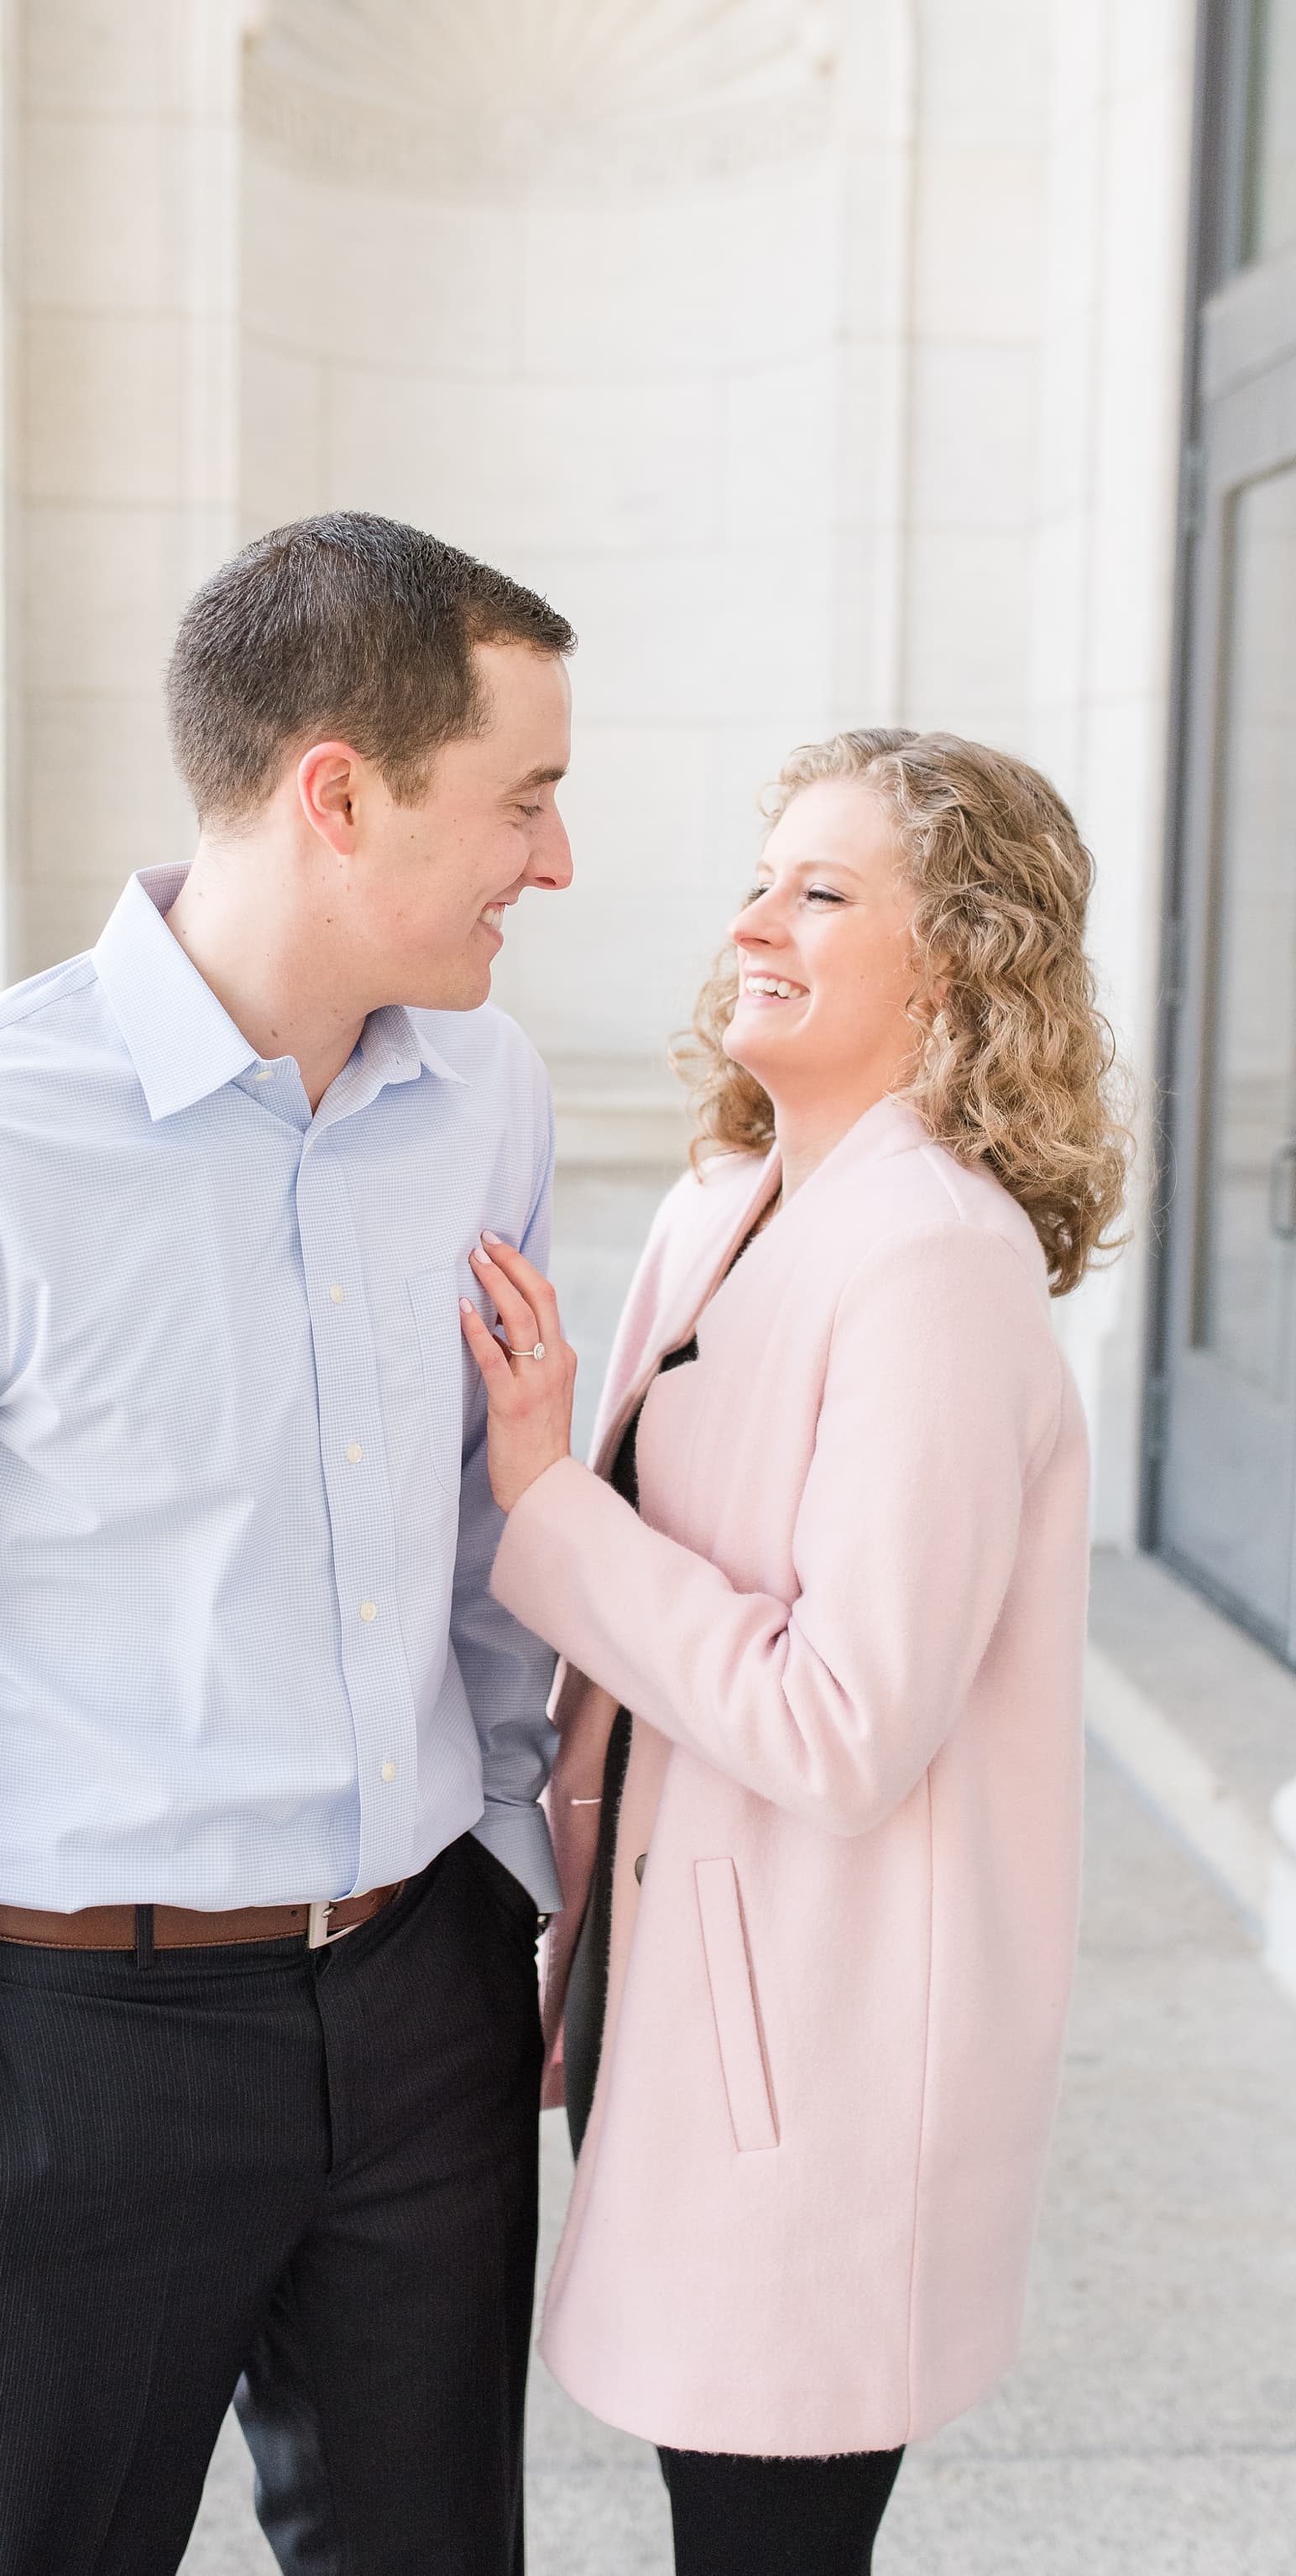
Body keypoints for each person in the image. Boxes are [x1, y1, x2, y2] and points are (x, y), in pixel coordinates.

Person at [0, 512, 577, 2576]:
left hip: (420, 2012)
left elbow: (468, 1530)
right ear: (338, 791)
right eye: (525, 800)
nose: (558, 859)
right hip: (70, 2066)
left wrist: (496, 1869)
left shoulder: (489, 1097)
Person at [457, 728, 1131, 2575]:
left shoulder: (935, 1260)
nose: (752, 918)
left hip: (821, 2075)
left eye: (821, 890)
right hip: (685, 2020)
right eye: (762, 875)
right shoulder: (723, 1199)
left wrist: (544, 1494)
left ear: (965, 956)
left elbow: (844, 1720)